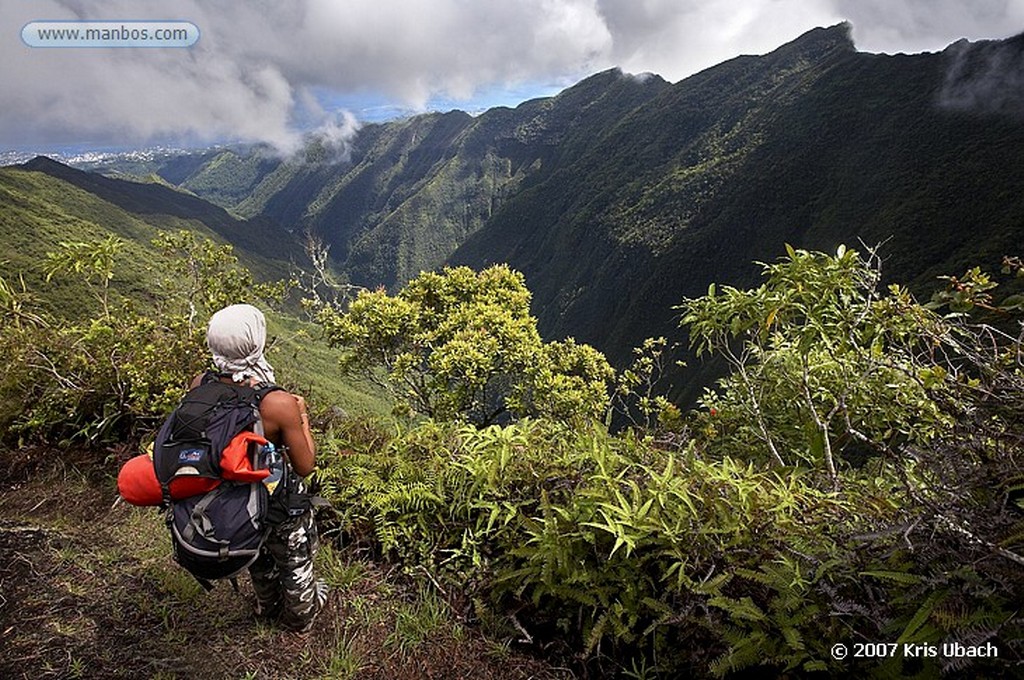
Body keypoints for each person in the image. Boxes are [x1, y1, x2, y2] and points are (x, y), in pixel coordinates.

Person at [198, 303, 327, 633]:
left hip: (234, 503)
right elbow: (305, 465)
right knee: (293, 557)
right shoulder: (276, 403)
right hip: (276, 502)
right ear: (255, 342)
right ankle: (300, 617)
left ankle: (266, 606)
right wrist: (302, 415)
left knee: (258, 556)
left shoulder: (200, 384)